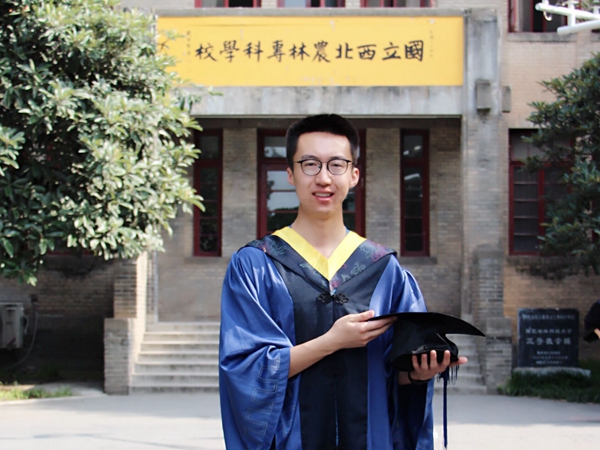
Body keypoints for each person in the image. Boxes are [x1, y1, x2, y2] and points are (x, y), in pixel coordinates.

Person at [218, 114, 467, 450]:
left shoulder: (384, 270)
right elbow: (245, 370)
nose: (323, 178)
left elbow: (391, 377)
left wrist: (416, 374)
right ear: (290, 174)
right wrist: (332, 341)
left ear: (354, 175)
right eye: (310, 164)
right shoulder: (256, 266)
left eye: (336, 165)